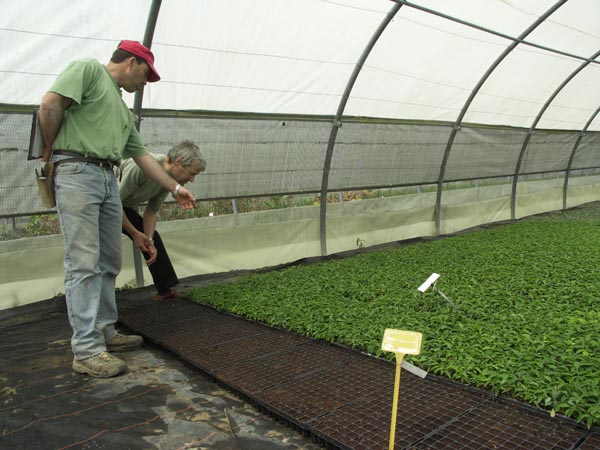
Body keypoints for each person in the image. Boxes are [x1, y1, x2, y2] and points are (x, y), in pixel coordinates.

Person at [37, 40, 197, 378]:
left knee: (110, 259)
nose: (144, 82)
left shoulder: (123, 111)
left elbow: (140, 155)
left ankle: (106, 331)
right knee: (83, 261)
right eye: (145, 74)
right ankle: (86, 348)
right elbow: (50, 104)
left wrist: (176, 187)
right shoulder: (89, 70)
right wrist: (51, 151)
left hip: (107, 175)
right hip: (77, 169)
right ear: (130, 63)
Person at [119, 140, 206, 302]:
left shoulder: (168, 180)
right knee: (105, 250)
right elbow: (113, 204)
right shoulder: (139, 167)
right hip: (103, 205)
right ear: (178, 162)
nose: (192, 179)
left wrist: (148, 239)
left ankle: (165, 291)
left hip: (122, 206)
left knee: (151, 240)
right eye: (192, 173)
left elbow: (151, 211)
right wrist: (134, 233)